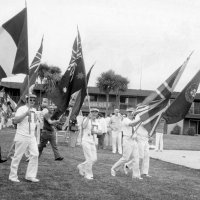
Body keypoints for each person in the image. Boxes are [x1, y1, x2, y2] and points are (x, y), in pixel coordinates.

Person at [9, 94, 39, 182]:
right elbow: (15, 120)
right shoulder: (21, 109)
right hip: (22, 135)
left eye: (34, 100)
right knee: (17, 156)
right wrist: (26, 114)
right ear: (26, 100)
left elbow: (34, 123)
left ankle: (30, 175)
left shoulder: (34, 110)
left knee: (35, 154)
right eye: (31, 100)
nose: (32, 102)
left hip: (31, 136)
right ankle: (13, 176)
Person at [111, 108, 142, 179]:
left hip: (133, 140)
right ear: (127, 113)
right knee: (125, 158)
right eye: (129, 112)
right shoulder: (125, 120)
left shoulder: (133, 120)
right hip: (127, 140)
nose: (131, 113)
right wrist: (140, 119)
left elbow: (135, 127)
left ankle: (136, 175)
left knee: (136, 157)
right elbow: (132, 125)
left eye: (132, 112)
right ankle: (113, 168)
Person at [77, 108, 102, 180]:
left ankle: (81, 166)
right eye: (93, 112)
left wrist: (95, 132)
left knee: (94, 159)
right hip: (86, 140)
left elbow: (101, 132)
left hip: (93, 142)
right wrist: (88, 118)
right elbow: (83, 126)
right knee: (89, 159)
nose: (94, 114)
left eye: (96, 112)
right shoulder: (87, 119)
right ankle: (88, 174)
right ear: (90, 113)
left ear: (97, 114)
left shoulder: (97, 121)